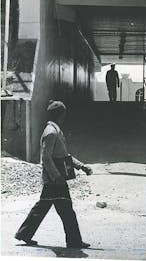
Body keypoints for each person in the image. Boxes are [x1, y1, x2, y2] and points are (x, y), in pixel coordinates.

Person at [15, 100, 93, 248]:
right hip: (54, 179)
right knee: (66, 210)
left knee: (44, 207)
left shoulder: (54, 130)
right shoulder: (51, 132)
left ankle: (24, 234)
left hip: (54, 178)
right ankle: (74, 241)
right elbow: (45, 157)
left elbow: (64, 155)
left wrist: (81, 166)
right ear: (61, 114)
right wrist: (56, 176)